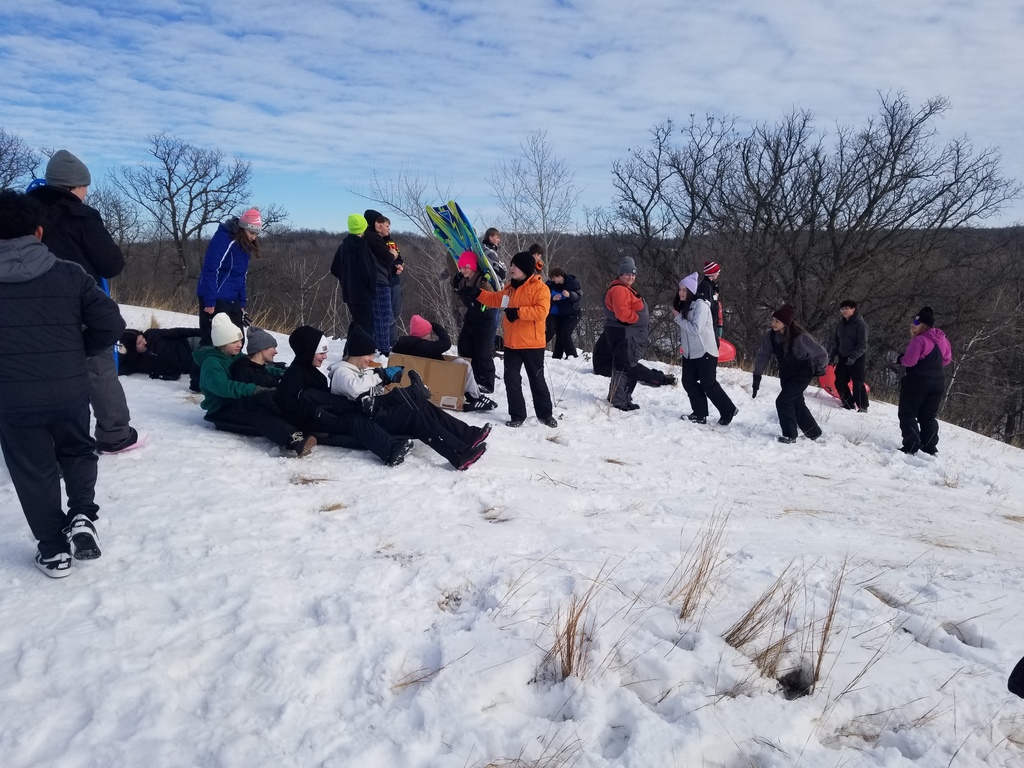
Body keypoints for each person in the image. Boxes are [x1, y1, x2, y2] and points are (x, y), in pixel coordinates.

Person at [0, 190, 125, 576]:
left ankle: (54, 550)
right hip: (68, 390)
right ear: (39, 232)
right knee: (78, 450)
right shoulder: (71, 274)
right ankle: (83, 515)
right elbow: (111, 324)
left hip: (13, 398)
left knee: (33, 470)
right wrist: (78, 351)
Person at [28, 149, 139, 453]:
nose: (86, 193)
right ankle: (114, 433)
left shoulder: (24, 214)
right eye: (84, 186)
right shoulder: (81, 216)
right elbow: (110, 264)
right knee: (98, 369)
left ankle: (45, 443)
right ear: (72, 186)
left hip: (30, 308)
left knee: (42, 374)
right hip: (80, 307)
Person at [329, 327, 489, 469]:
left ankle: (467, 435)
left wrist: (382, 382)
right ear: (358, 352)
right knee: (416, 417)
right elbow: (354, 388)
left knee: (420, 404)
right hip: (369, 421)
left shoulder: (356, 369)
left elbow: (365, 391)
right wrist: (380, 376)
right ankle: (459, 454)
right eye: (369, 354)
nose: (371, 358)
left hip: (375, 412)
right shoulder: (341, 372)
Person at [275, 326, 414, 466]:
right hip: (310, 420)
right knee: (353, 420)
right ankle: (390, 450)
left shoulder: (314, 373)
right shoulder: (293, 375)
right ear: (308, 351)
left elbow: (322, 395)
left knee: (357, 410)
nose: (325, 357)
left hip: (322, 413)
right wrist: (314, 412)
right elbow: (287, 403)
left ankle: (396, 433)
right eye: (321, 353)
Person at [194, 314, 316, 457]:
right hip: (221, 408)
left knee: (266, 401)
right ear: (222, 342)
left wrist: (279, 372)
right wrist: (255, 390)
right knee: (257, 412)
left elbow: (256, 367)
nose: (239, 344)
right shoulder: (211, 363)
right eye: (233, 342)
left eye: (239, 340)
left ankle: (301, 427)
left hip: (235, 401)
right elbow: (224, 387)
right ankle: (293, 440)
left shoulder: (235, 355)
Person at [466, 251, 556, 428]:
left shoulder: (540, 288)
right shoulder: (509, 288)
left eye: (515, 265)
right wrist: (477, 293)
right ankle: (517, 415)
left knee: (537, 380)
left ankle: (545, 415)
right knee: (511, 381)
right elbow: (494, 299)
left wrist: (518, 312)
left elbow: (541, 312)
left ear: (525, 268)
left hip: (533, 344)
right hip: (512, 344)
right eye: (512, 265)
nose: (511, 268)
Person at [191, 206, 263, 390]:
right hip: (215, 296)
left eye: (256, 233)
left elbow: (241, 276)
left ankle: (228, 375)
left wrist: (242, 302)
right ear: (242, 228)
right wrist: (209, 300)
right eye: (251, 232)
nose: (254, 236)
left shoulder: (245, 247)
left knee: (237, 339)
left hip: (232, 298)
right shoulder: (224, 239)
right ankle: (199, 381)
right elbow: (210, 269)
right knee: (212, 340)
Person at [752, 304, 828, 443]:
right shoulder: (771, 337)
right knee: (796, 402)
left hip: (802, 374)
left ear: (785, 323)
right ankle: (814, 432)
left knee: (783, 401)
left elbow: (821, 354)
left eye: (777, 321)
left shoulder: (800, 337)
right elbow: (763, 355)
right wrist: (757, 376)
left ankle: (790, 435)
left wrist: (820, 369)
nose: (773, 324)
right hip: (786, 374)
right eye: (773, 320)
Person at [392, 314, 498, 412]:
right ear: (423, 334)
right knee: (464, 365)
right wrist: (436, 326)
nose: (431, 336)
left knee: (461, 363)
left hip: (425, 375)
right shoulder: (424, 347)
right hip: (437, 377)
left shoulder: (404, 345)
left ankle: (472, 395)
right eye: (429, 333)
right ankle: (475, 398)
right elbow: (446, 343)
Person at [673, 273, 737, 425]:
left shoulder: (701, 305)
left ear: (691, 290)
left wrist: (678, 318)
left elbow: (696, 329)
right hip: (690, 353)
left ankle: (728, 410)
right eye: (680, 289)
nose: (681, 293)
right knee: (688, 382)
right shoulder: (685, 306)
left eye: (684, 290)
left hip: (705, 351)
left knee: (709, 384)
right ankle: (699, 414)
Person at [897, 307, 952, 455]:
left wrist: (900, 359)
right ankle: (929, 446)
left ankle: (912, 444)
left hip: (917, 381)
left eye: (916, 322)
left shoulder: (919, 340)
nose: (912, 324)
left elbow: (910, 361)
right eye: (913, 321)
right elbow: (946, 360)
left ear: (924, 325)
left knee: (907, 414)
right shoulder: (943, 340)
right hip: (938, 382)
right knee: (927, 416)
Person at [603, 257, 650, 412]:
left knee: (622, 365)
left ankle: (617, 396)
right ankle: (620, 400)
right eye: (627, 274)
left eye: (633, 274)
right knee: (627, 367)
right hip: (625, 334)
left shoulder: (623, 288)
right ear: (620, 275)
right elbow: (622, 314)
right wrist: (637, 319)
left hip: (625, 333)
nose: (631, 277)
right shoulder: (619, 290)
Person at [452, 251, 498, 393]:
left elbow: (491, 299)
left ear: (472, 266)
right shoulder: (463, 279)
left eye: (465, 267)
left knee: (482, 351)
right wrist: (456, 287)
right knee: (465, 346)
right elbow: (460, 296)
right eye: (461, 267)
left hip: (485, 318)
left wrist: (478, 293)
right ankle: (472, 378)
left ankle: (487, 382)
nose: (462, 270)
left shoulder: (482, 279)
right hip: (471, 317)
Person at [330, 214, 376, 341]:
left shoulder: (343, 247)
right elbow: (368, 273)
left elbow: (334, 269)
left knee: (357, 323)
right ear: (363, 228)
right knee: (366, 327)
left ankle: (349, 353)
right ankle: (360, 356)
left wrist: (346, 280)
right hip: (363, 294)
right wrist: (372, 288)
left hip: (349, 293)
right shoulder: (362, 248)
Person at [363, 209, 395, 357]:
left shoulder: (370, 238)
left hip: (377, 280)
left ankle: (375, 346)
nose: (387, 228)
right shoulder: (373, 238)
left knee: (377, 315)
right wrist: (393, 254)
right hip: (379, 282)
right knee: (383, 315)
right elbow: (386, 258)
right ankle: (383, 350)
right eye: (385, 225)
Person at [829, 299, 869, 412]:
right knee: (839, 381)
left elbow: (863, 344)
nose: (844, 311)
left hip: (857, 357)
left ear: (853, 309)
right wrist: (832, 356)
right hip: (843, 355)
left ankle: (862, 406)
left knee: (858, 382)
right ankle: (848, 403)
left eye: (846, 308)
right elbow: (837, 342)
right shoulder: (841, 324)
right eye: (842, 309)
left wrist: (853, 357)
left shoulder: (860, 324)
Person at [118, 327, 202, 380]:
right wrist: (121, 355)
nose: (144, 341)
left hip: (190, 344)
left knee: (211, 350)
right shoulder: (134, 363)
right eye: (139, 342)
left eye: (142, 337)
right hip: (190, 365)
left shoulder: (152, 334)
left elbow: (178, 332)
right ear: (132, 348)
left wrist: (203, 332)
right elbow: (115, 370)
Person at [545, 267, 582, 359]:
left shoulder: (572, 283)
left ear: (560, 276)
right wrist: (552, 299)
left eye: (554, 278)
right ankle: (557, 356)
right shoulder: (550, 285)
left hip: (573, 312)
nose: (553, 280)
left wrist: (570, 295)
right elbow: (544, 299)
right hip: (561, 314)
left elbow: (579, 295)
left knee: (565, 334)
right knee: (560, 334)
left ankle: (572, 355)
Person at [696, 261, 724, 344]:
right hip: (709, 322)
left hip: (712, 321)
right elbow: (706, 304)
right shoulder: (705, 286)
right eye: (718, 272)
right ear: (712, 273)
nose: (718, 274)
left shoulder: (711, 285)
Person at [385, 223, 404, 345]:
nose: (389, 229)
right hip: (383, 282)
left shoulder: (391, 242)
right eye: (387, 226)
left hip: (395, 281)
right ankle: (391, 342)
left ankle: (391, 340)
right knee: (388, 315)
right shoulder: (374, 243)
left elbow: (399, 257)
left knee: (396, 311)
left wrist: (400, 265)